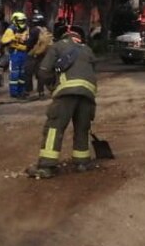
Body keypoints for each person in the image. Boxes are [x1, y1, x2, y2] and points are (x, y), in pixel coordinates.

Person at [25, 26, 99, 179]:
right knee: (82, 127)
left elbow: (44, 72)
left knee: (54, 128)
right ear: (79, 37)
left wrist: (53, 87)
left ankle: (46, 166)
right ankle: (82, 162)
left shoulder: (57, 47)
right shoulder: (88, 50)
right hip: (88, 93)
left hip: (66, 93)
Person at [1, 11, 30, 99]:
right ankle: (14, 93)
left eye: (23, 21)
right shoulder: (11, 29)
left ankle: (21, 91)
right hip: (15, 53)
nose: (23, 23)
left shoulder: (26, 28)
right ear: (15, 21)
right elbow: (4, 40)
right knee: (15, 74)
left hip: (24, 53)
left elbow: (27, 38)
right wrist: (15, 37)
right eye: (21, 21)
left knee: (22, 73)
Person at [24, 12, 53, 99]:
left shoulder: (34, 31)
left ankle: (28, 92)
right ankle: (41, 92)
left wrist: (25, 45)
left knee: (28, 73)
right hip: (43, 54)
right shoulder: (45, 29)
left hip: (33, 54)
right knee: (40, 74)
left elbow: (29, 43)